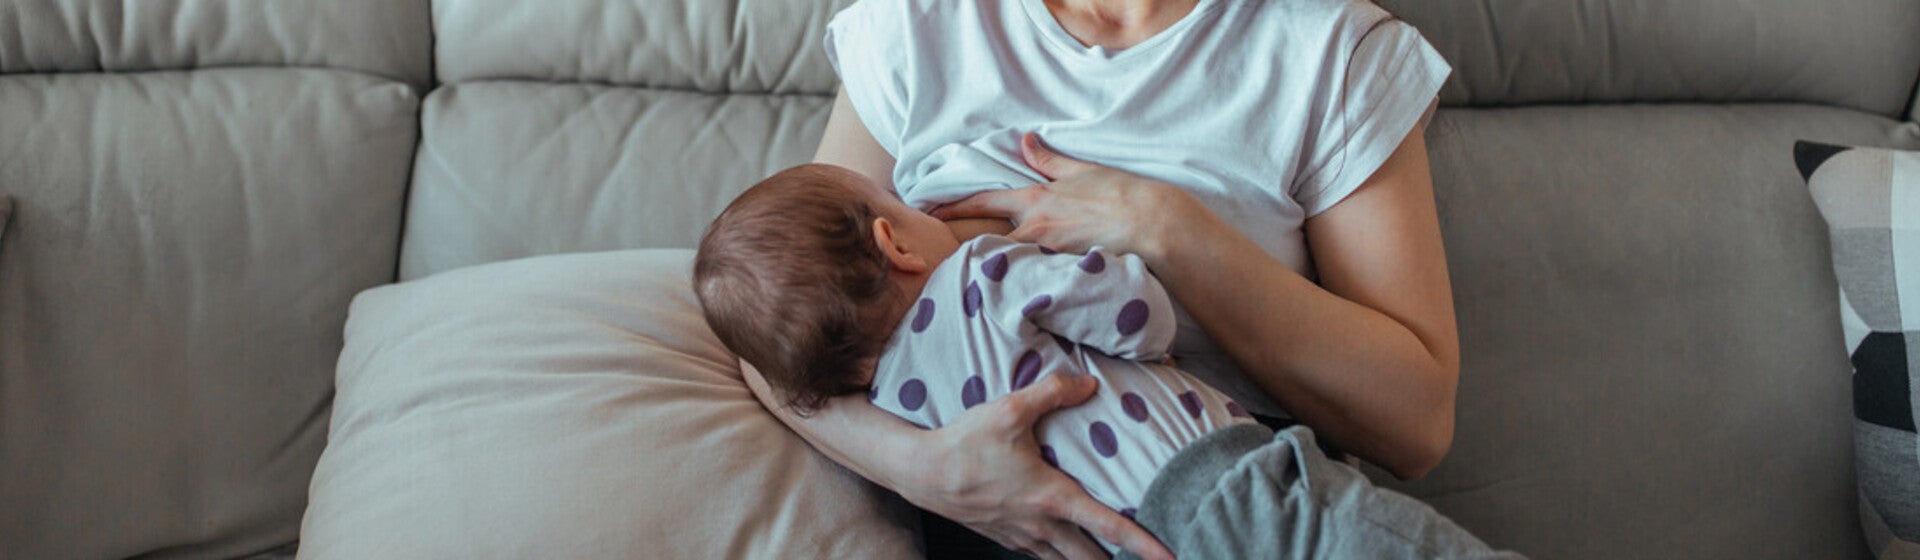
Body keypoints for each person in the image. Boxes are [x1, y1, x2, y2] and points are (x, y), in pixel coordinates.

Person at [740, 0, 1474, 558]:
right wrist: (921, 468)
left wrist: (1169, 229)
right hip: (981, 512)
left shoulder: (1330, 49)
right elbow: (775, 326)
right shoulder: (921, 24)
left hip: (1227, 484)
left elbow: (1416, 425)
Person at [698, 164, 1515, 558]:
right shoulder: (984, 274)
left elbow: (786, 358)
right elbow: (1137, 317)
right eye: (903, 201)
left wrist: (1169, 220)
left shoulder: (898, 394)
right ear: (895, 243)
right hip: (1212, 479)